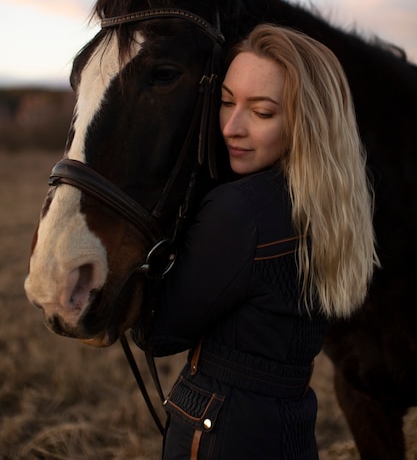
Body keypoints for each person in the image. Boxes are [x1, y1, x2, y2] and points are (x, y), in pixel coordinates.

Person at [133, 24, 378, 460]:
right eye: (226, 102)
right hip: (291, 425)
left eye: (261, 113)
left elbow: (157, 332)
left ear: (309, 122)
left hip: (219, 434)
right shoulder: (337, 203)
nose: (231, 127)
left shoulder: (239, 209)